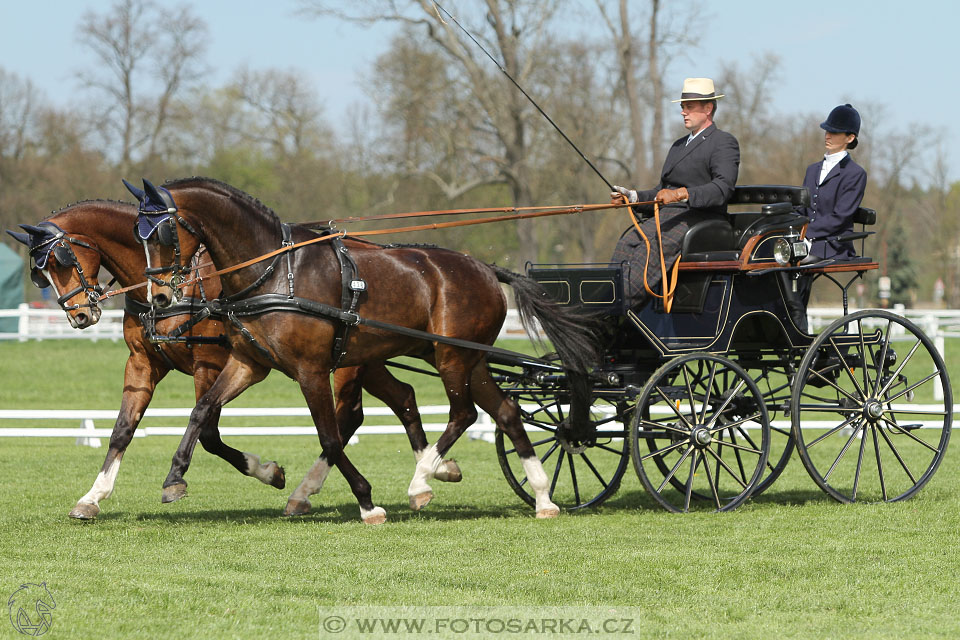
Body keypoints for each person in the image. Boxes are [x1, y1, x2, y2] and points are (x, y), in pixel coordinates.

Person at [610, 77, 740, 311]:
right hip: (669, 217)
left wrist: (682, 194)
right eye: (682, 107)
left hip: (700, 217)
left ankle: (620, 307)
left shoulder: (722, 142)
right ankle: (609, 300)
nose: (683, 112)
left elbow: (722, 189)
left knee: (650, 249)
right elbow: (661, 192)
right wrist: (632, 197)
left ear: (708, 108)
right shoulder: (678, 146)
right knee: (627, 241)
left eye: (689, 107)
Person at [798, 104, 867, 264]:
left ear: (850, 138)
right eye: (827, 131)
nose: (827, 136)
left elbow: (840, 217)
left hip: (833, 245)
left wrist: (806, 232)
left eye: (834, 132)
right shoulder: (812, 170)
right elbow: (801, 208)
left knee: (788, 262)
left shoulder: (855, 174)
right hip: (804, 241)